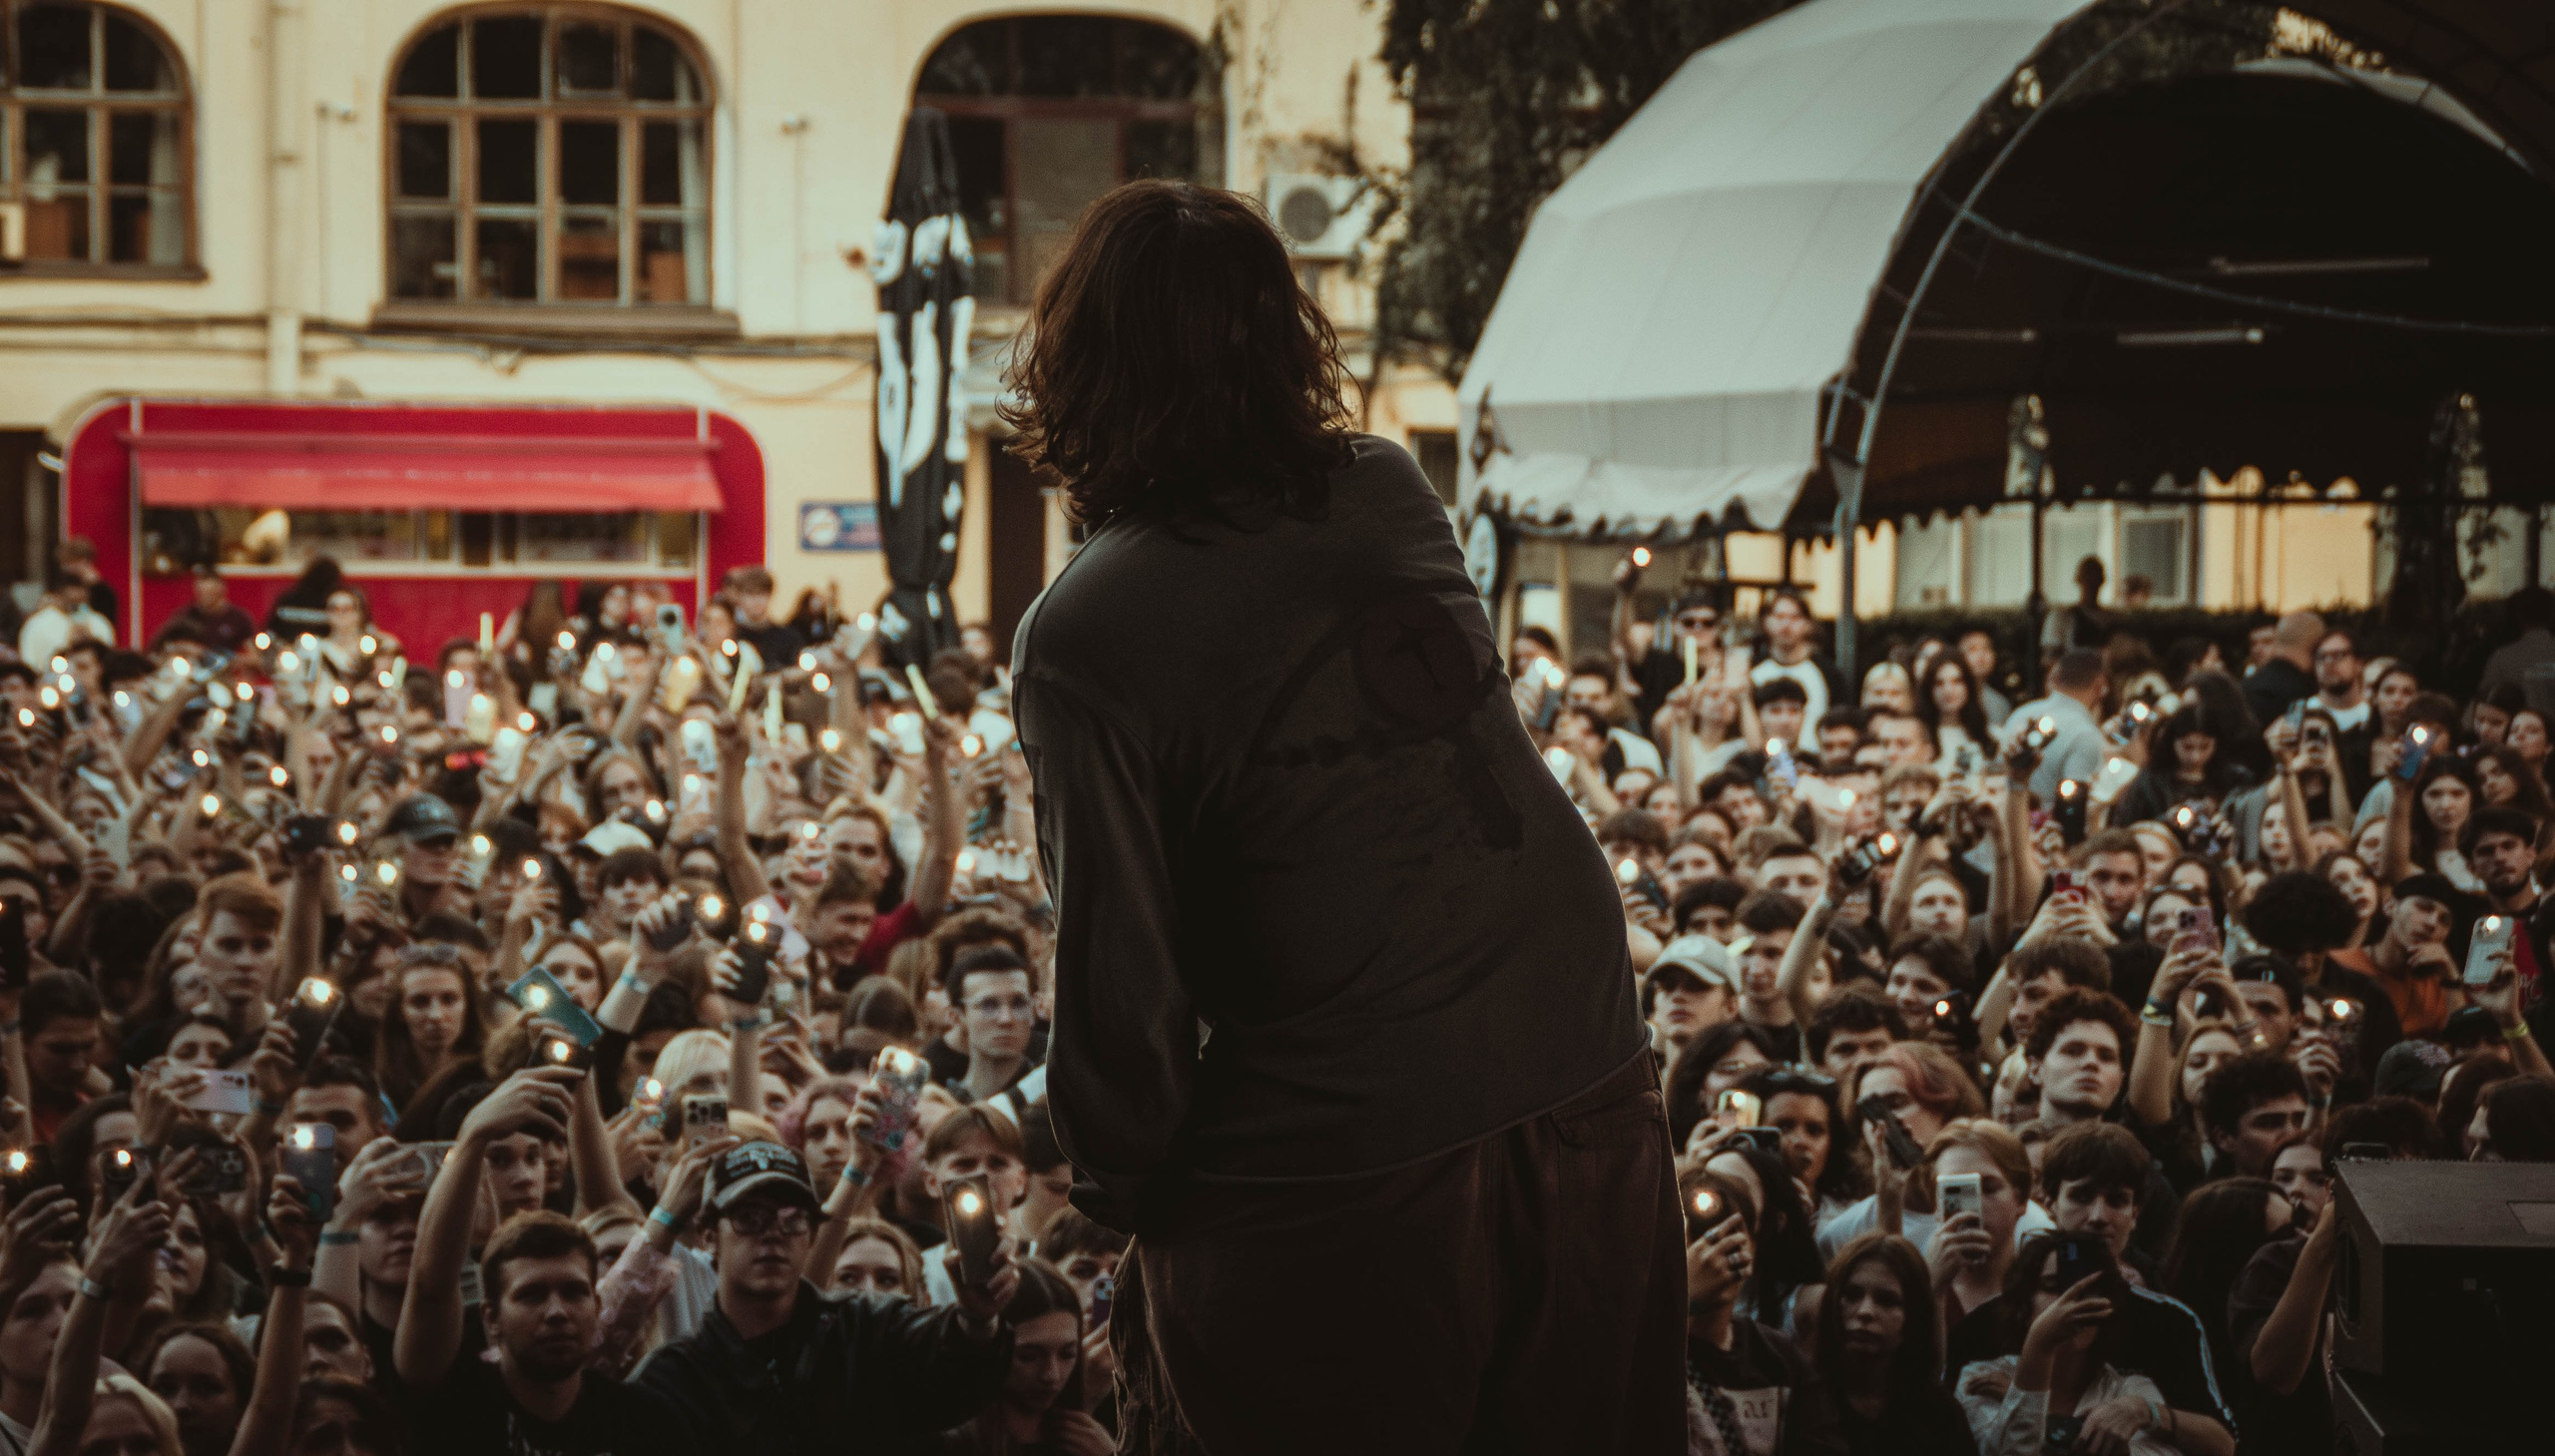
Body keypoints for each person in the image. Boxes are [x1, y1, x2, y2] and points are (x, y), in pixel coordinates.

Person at [1003, 180, 1682, 1448]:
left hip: (1350, 1155)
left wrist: (1123, 1184)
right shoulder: (1384, 485)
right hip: (1589, 1064)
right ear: (1284, 337)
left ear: (1081, 361)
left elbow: (1121, 987)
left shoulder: (1083, 631)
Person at [1679, 1168, 1849, 1456]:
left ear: (1754, 1246)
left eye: (1729, 1231)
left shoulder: (1776, 1358)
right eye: (1697, 1233)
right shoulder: (1651, 1348)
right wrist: (1685, 1301)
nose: (1713, 1248)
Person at [1810, 1234, 1975, 1456]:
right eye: (1852, 1295)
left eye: (1886, 1300)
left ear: (1913, 1315)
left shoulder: (1940, 1416)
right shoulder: (1804, 1406)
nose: (1865, 1311)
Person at [2003, 651, 2108, 804]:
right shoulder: (2086, 734)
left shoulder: (2021, 713)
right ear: (2100, 686)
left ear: (2055, 678)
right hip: (2047, 825)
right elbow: (2074, 805)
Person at [2242, 612, 2321, 728]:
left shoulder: (2244, 687)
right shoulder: (2307, 692)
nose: (2258, 649)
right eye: (2253, 644)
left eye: (2267, 642)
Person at [151, 568, 256, 657]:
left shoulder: (238, 618)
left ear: (221, 590)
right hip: (191, 673)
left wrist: (204, 653)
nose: (204, 598)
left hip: (225, 673)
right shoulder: (186, 616)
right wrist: (179, 648)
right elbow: (157, 646)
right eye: (201, 593)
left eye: (209, 593)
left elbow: (254, 657)